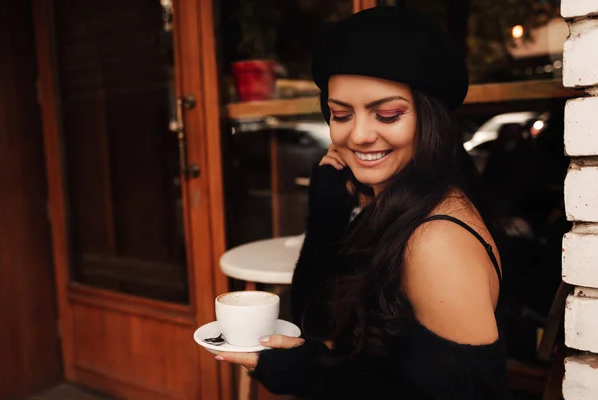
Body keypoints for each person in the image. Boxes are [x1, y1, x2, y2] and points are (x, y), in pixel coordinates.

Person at [216, 6, 512, 399]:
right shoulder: (396, 204)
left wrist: (306, 373)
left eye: (387, 114)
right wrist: (326, 212)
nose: (358, 135)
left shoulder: (436, 242)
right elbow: (320, 321)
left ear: (431, 118)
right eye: (340, 114)